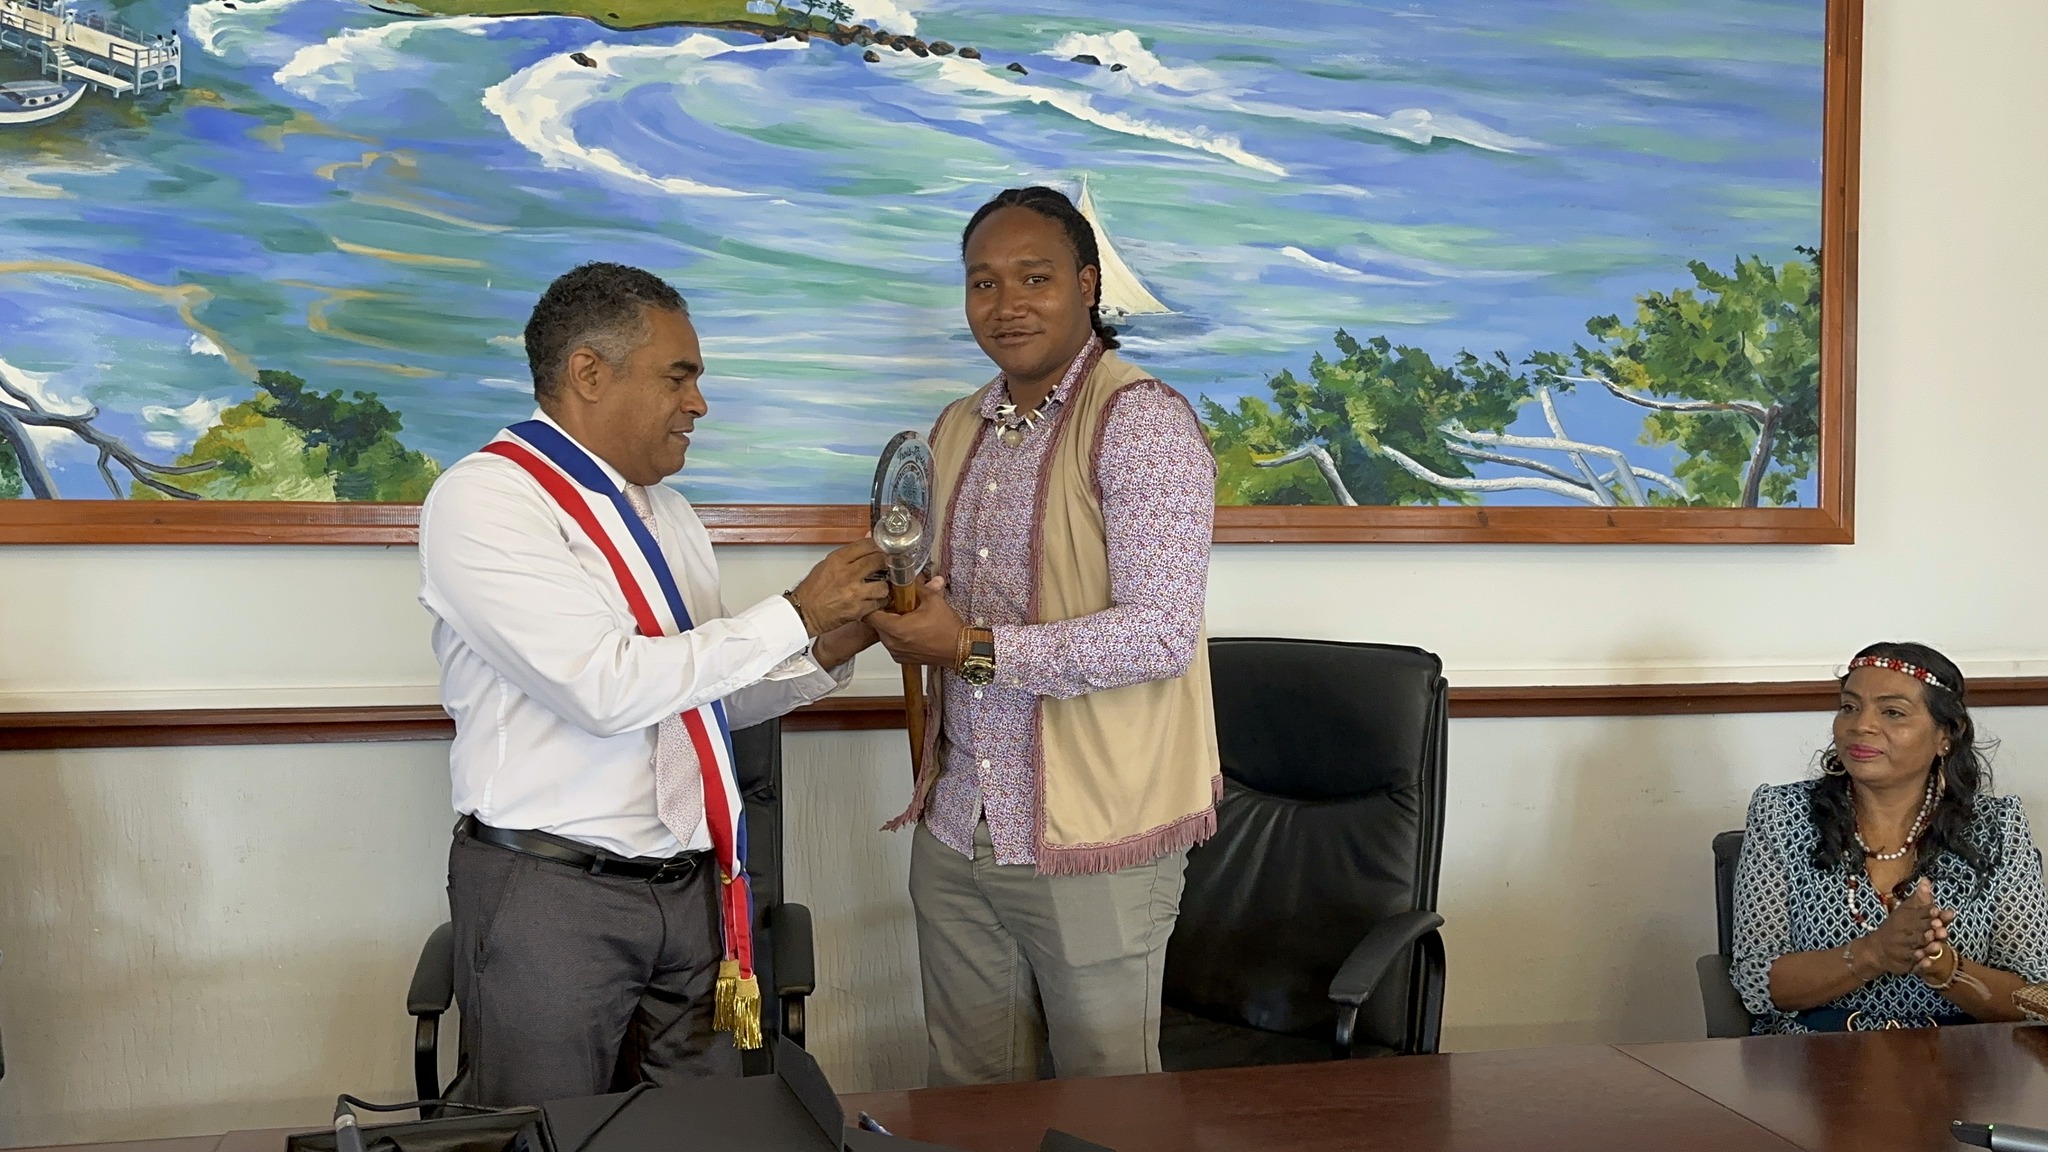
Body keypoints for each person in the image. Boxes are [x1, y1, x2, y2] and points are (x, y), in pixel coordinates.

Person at [418, 262, 887, 1105]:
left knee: (703, 1128)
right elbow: (605, 690)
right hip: (555, 896)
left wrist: (826, 643)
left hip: (692, 891)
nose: (698, 404)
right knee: (551, 1130)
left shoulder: (667, 512)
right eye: (679, 377)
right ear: (588, 373)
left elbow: (696, 702)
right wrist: (794, 612)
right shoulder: (486, 502)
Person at [867, 186, 1220, 1084]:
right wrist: (889, 607)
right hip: (958, 824)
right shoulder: (955, 427)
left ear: (1088, 285)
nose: (1006, 303)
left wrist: (970, 648)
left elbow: (1159, 635)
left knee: (1108, 1103)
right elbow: (934, 596)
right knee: (970, 1098)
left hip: (1094, 834)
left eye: (1035, 277)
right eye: (983, 282)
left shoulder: (1141, 421)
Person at [1731, 641, 2048, 1033]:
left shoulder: (1996, 826)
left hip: (1958, 1059)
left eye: (1892, 712)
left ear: (1946, 734)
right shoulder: (1782, 814)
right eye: (1849, 707)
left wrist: (1944, 967)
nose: (1860, 725)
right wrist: (1873, 952)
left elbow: (2032, 997)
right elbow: (1757, 983)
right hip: (1817, 1055)